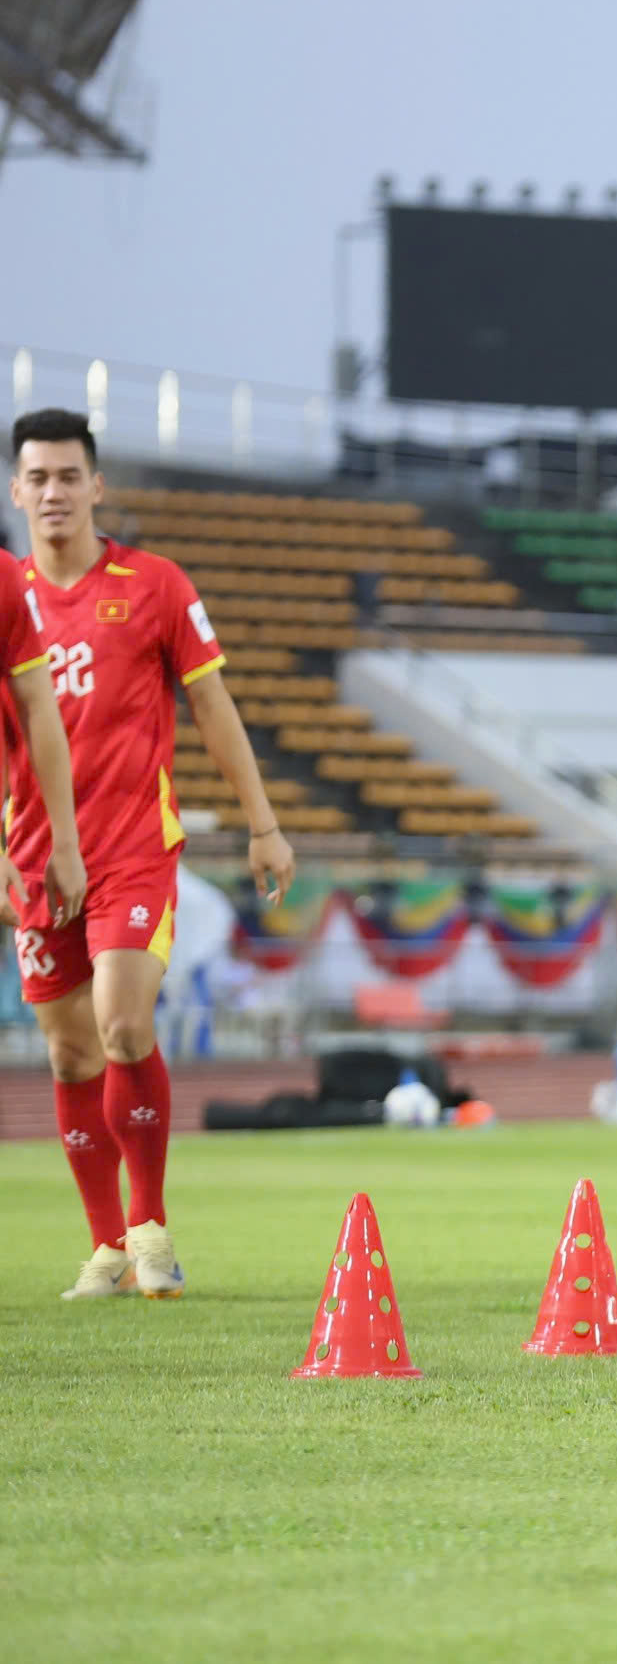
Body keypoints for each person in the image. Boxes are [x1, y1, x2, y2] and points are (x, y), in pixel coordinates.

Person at [10, 409, 295, 1302]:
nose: (54, 492)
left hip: (133, 847)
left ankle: (152, 1228)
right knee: (68, 1057)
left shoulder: (156, 584)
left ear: (98, 486)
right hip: (34, 855)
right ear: (17, 492)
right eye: (38, 478)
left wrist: (262, 822)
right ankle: (105, 1246)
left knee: (124, 1022)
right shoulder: (8, 601)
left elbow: (213, 708)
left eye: (69, 475)